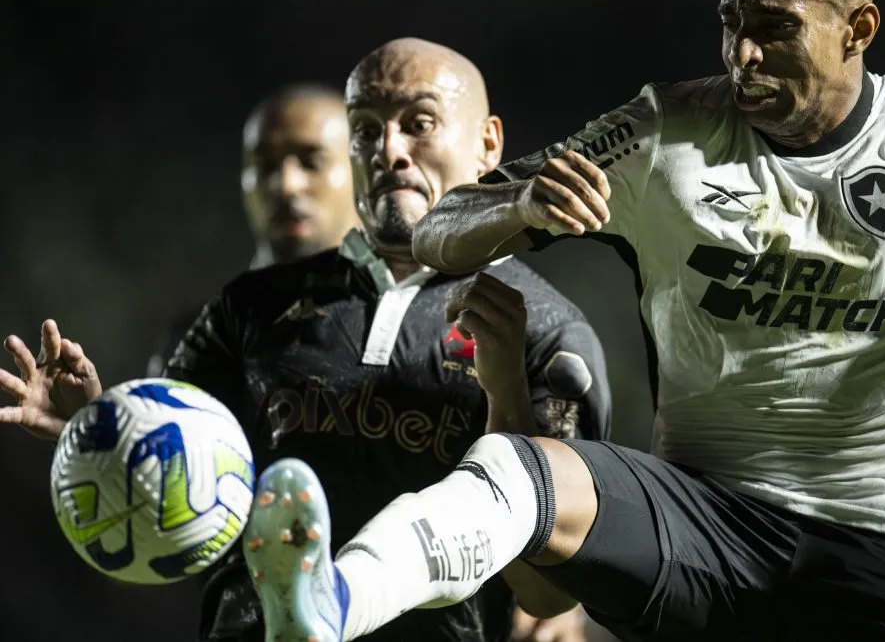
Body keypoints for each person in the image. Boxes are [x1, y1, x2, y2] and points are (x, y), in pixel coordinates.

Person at [75, 0, 885, 639]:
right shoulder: (666, 129)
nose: (742, 53)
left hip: (878, 531)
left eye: (774, 27)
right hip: (698, 516)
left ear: (858, 28)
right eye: (730, 23)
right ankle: (332, 601)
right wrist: (522, 204)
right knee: (528, 466)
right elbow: (443, 226)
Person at [0, 39, 610, 642]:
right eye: (365, 130)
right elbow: (176, 498)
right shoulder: (249, 306)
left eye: (418, 124)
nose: (389, 151)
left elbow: (548, 595)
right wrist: (100, 435)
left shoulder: (548, 332)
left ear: (488, 144)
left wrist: (506, 393)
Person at [146, 85, 361, 379]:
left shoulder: (412, 330)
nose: (286, 184)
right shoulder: (197, 342)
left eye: (312, 162)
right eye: (265, 165)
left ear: (362, 176)